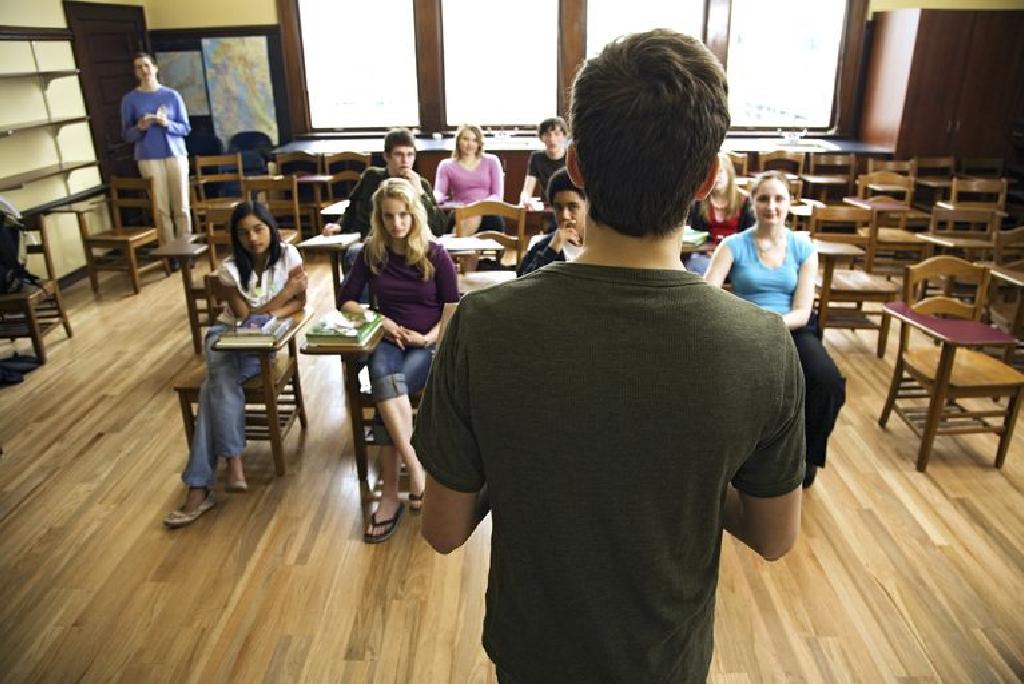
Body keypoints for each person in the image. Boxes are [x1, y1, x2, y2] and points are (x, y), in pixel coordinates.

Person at [413, 30, 805, 683]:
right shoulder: (762, 345)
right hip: (666, 661)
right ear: (709, 178)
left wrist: (510, 463)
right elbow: (773, 536)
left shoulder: (483, 328)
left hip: (532, 652)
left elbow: (444, 529)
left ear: (578, 166)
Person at [164, 202, 307, 529]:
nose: (253, 238)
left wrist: (271, 312)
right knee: (221, 375)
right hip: (224, 337)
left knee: (212, 387)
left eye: (258, 229)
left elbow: (300, 303)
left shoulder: (289, 256)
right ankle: (230, 463)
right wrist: (284, 294)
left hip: (260, 347)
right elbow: (245, 318)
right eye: (244, 233)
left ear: (270, 227)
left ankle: (204, 486)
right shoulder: (228, 271)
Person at [336, 178, 459, 544]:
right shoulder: (371, 253)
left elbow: (452, 309)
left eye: (403, 215)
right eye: (388, 216)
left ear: (414, 214)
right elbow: (347, 301)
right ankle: (417, 471)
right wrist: (381, 321)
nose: (396, 223)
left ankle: (390, 497)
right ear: (379, 218)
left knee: (383, 389)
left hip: (426, 345)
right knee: (381, 372)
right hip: (391, 339)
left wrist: (428, 337)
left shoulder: (435, 253)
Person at [704, 170, 846, 488]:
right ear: (752, 203)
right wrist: (747, 323)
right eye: (764, 198)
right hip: (747, 328)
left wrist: (772, 323)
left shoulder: (803, 247)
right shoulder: (733, 245)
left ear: (790, 203)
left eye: (779, 198)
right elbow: (708, 293)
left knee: (828, 382)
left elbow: (802, 310)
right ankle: (739, 456)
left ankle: (808, 456)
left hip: (793, 327)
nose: (772, 206)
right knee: (731, 384)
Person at [121, 52, 192, 245]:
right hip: (148, 157)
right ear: (135, 72)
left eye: (146, 65)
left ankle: (187, 247)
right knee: (161, 209)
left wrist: (166, 123)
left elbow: (185, 128)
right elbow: (127, 134)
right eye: (138, 67)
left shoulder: (171, 95)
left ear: (155, 68)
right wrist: (140, 128)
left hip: (175, 154)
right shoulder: (130, 99)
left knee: (182, 206)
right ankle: (170, 251)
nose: (144, 70)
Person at [322, 128, 447, 239]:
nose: (405, 161)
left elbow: (439, 228)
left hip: (404, 244)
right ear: (386, 156)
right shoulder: (371, 177)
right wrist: (339, 225)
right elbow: (352, 209)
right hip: (367, 241)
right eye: (399, 154)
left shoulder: (421, 184)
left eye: (410, 155)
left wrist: (420, 194)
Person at [685, 151, 755, 276]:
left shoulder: (746, 201)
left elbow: (750, 237)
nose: (716, 177)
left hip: (738, 255)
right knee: (695, 266)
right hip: (706, 256)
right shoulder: (698, 203)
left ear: (729, 173)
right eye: (711, 173)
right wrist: (712, 254)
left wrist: (727, 255)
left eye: (720, 172)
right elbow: (696, 238)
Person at [434, 124, 505, 236]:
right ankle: (461, 250)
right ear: (458, 141)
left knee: (475, 214)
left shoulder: (492, 161)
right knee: (463, 216)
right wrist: (433, 199)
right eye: (465, 139)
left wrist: (477, 206)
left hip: (488, 212)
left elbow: (497, 196)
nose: (470, 144)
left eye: (474, 140)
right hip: (460, 211)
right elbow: (439, 193)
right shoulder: (446, 165)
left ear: (479, 143)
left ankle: (455, 249)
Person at [516, 168, 586, 276]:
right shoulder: (544, 247)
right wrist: (552, 250)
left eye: (572, 207)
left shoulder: (603, 246)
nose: (564, 216)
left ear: (588, 207)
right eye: (558, 208)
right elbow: (521, 284)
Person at [518, 116, 568, 205]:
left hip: (569, 203)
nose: (552, 139)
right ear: (541, 138)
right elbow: (528, 188)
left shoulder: (571, 156)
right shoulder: (536, 157)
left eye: (557, 134)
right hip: (548, 205)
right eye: (548, 134)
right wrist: (524, 200)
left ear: (564, 136)